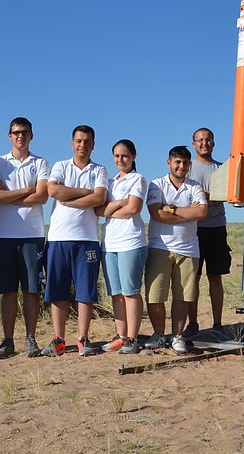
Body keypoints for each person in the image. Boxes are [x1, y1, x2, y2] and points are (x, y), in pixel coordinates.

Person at [42, 125, 109, 357]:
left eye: (87, 141)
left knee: (85, 292)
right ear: (72, 143)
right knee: (58, 290)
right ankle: (58, 340)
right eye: (79, 141)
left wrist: (70, 198)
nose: (83, 145)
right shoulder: (61, 166)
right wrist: (85, 192)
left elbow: (99, 197)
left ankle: (82, 339)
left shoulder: (99, 170)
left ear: (93, 144)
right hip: (59, 238)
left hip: (87, 239)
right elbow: (53, 191)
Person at [0, 117, 50, 359]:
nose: (20, 136)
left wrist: (9, 194)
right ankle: (7, 341)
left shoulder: (41, 163)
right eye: (15, 132)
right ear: (9, 136)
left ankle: (30, 339)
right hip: (4, 236)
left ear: (31, 135)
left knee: (31, 291)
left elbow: (42, 196)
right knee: (8, 291)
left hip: (32, 235)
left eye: (24, 132)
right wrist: (27, 190)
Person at [144, 146, 208, 354]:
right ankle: (159, 334)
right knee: (155, 296)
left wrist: (170, 208)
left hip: (188, 249)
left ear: (190, 164)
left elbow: (202, 212)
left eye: (185, 162)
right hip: (159, 246)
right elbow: (156, 214)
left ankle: (177, 336)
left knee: (182, 297)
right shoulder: (157, 185)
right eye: (177, 162)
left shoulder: (195, 186)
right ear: (169, 163)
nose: (181, 166)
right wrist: (187, 212)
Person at [98, 140, 148, 355]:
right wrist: (120, 203)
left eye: (125, 156)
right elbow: (99, 210)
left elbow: (134, 208)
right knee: (116, 294)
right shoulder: (109, 182)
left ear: (134, 156)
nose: (121, 160)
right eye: (117, 156)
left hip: (131, 241)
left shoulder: (138, 179)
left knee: (130, 292)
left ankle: (133, 338)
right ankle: (121, 335)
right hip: (110, 243)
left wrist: (111, 208)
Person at [183, 127, 231, 340]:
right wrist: (211, 196)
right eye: (200, 140)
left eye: (208, 139)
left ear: (213, 142)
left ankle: (218, 324)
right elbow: (185, 197)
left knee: (215, 278)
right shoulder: (186, 168)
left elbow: (227, 195)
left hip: (216, 228)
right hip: (193, 230)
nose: (204, 143)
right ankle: (192, 324)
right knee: (193, 278)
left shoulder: (222, 169)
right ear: (194, 144)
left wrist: (202, 196)